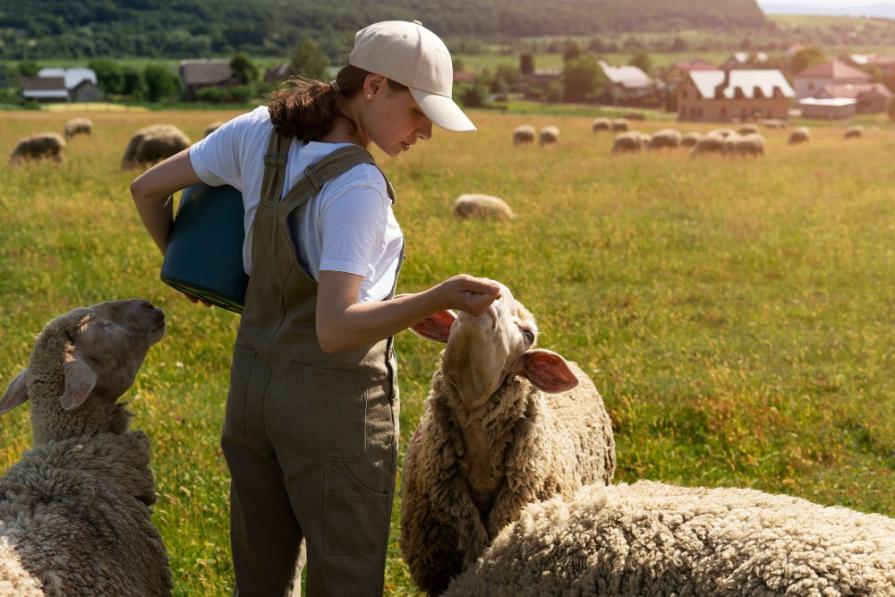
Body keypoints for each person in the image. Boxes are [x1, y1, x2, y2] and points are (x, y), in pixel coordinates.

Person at [130, 20, 501, 597]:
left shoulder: (259, 130)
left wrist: (187, 271)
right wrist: (440, 295)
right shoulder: (358, 186)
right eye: (420, 111)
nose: (426, 130)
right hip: (332, 413)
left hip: (251, 392)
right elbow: (335, 328)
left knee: (260, 581)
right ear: (374, 87)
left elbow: (147, 189)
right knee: (345, 583)